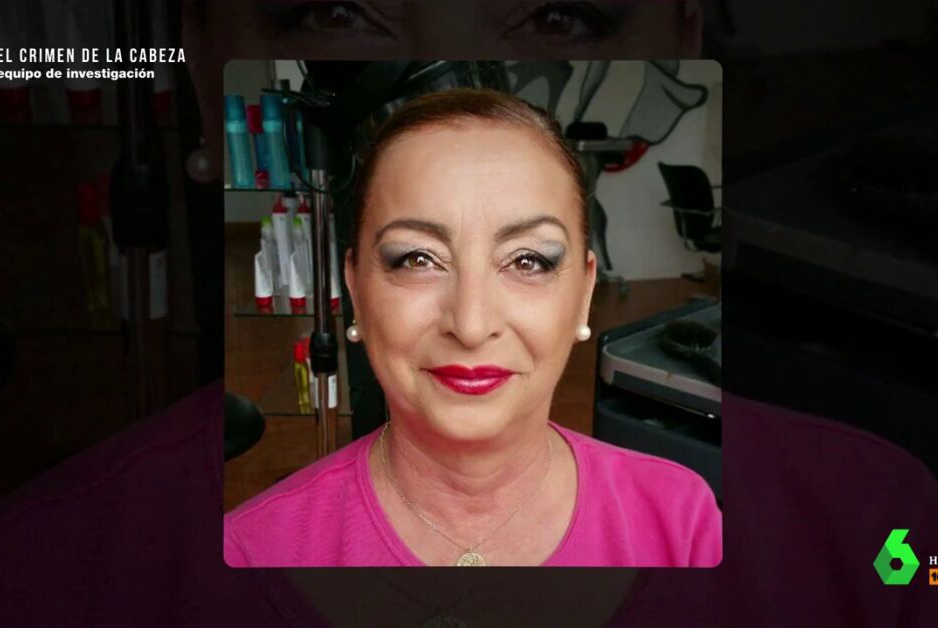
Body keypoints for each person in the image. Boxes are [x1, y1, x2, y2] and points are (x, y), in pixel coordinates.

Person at [223, 88, 722, 567]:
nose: (471, 325)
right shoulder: (252, 551)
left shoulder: (683, 526)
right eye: (418, 258)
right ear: (356, 288)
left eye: (527, 261)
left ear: (584, 294)